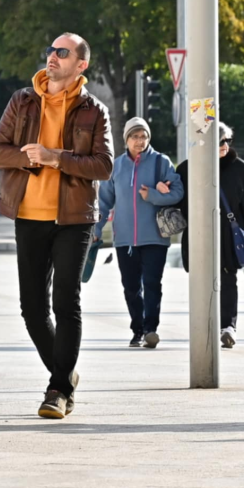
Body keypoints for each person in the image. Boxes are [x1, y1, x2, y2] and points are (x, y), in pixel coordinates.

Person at [0, 33, 113, 418]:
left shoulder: (94, 110)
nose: (53, 57)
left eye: (62, 52)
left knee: (66, 302)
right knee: (32, 309)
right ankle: (64, 374)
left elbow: (104, 166)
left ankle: (57, 390)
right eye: (51, 51)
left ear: (81, 64)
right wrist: (30, 160)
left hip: (73, 219)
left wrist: (55, 157)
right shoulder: (22, 101)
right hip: (28, 215)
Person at [95, 118, 184, 349]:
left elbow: (178, 193)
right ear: (127, 139)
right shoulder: (117, 166)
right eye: (135, 136)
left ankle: (150, 329)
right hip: (125, 239)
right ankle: (137, 329)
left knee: (153, 283)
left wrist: (153, 195)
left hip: (155, 237)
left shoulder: (160, 162)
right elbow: (103, 203)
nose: (140, 141)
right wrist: (96, 229)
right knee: (131, 287)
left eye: (143, 136)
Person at [176, 122, 244, 349]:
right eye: (220, 141)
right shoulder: (188, 168)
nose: (224, 145)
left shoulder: (239, 168)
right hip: (198, 233)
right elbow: (179, 200)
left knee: (228, 278)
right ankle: (204, 325)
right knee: (199, 280)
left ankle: (228, 326)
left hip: (228, 234)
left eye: (228, 140)